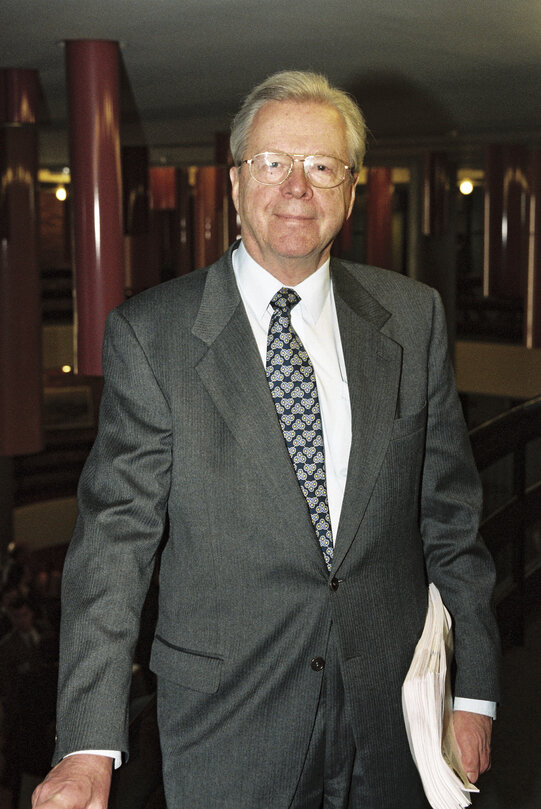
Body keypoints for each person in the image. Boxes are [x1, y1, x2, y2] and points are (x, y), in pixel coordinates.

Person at [32, 70, 500, 809]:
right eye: (272, 162)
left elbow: (449, 519)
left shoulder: (414, 319)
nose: (296, 187)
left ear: (349, 190)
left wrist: (475, 691)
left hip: (395, 717)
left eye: (321, 166)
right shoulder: (150, 335)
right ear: (234, 180)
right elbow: (114, 546)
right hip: (228, 724)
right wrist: (88, 742)